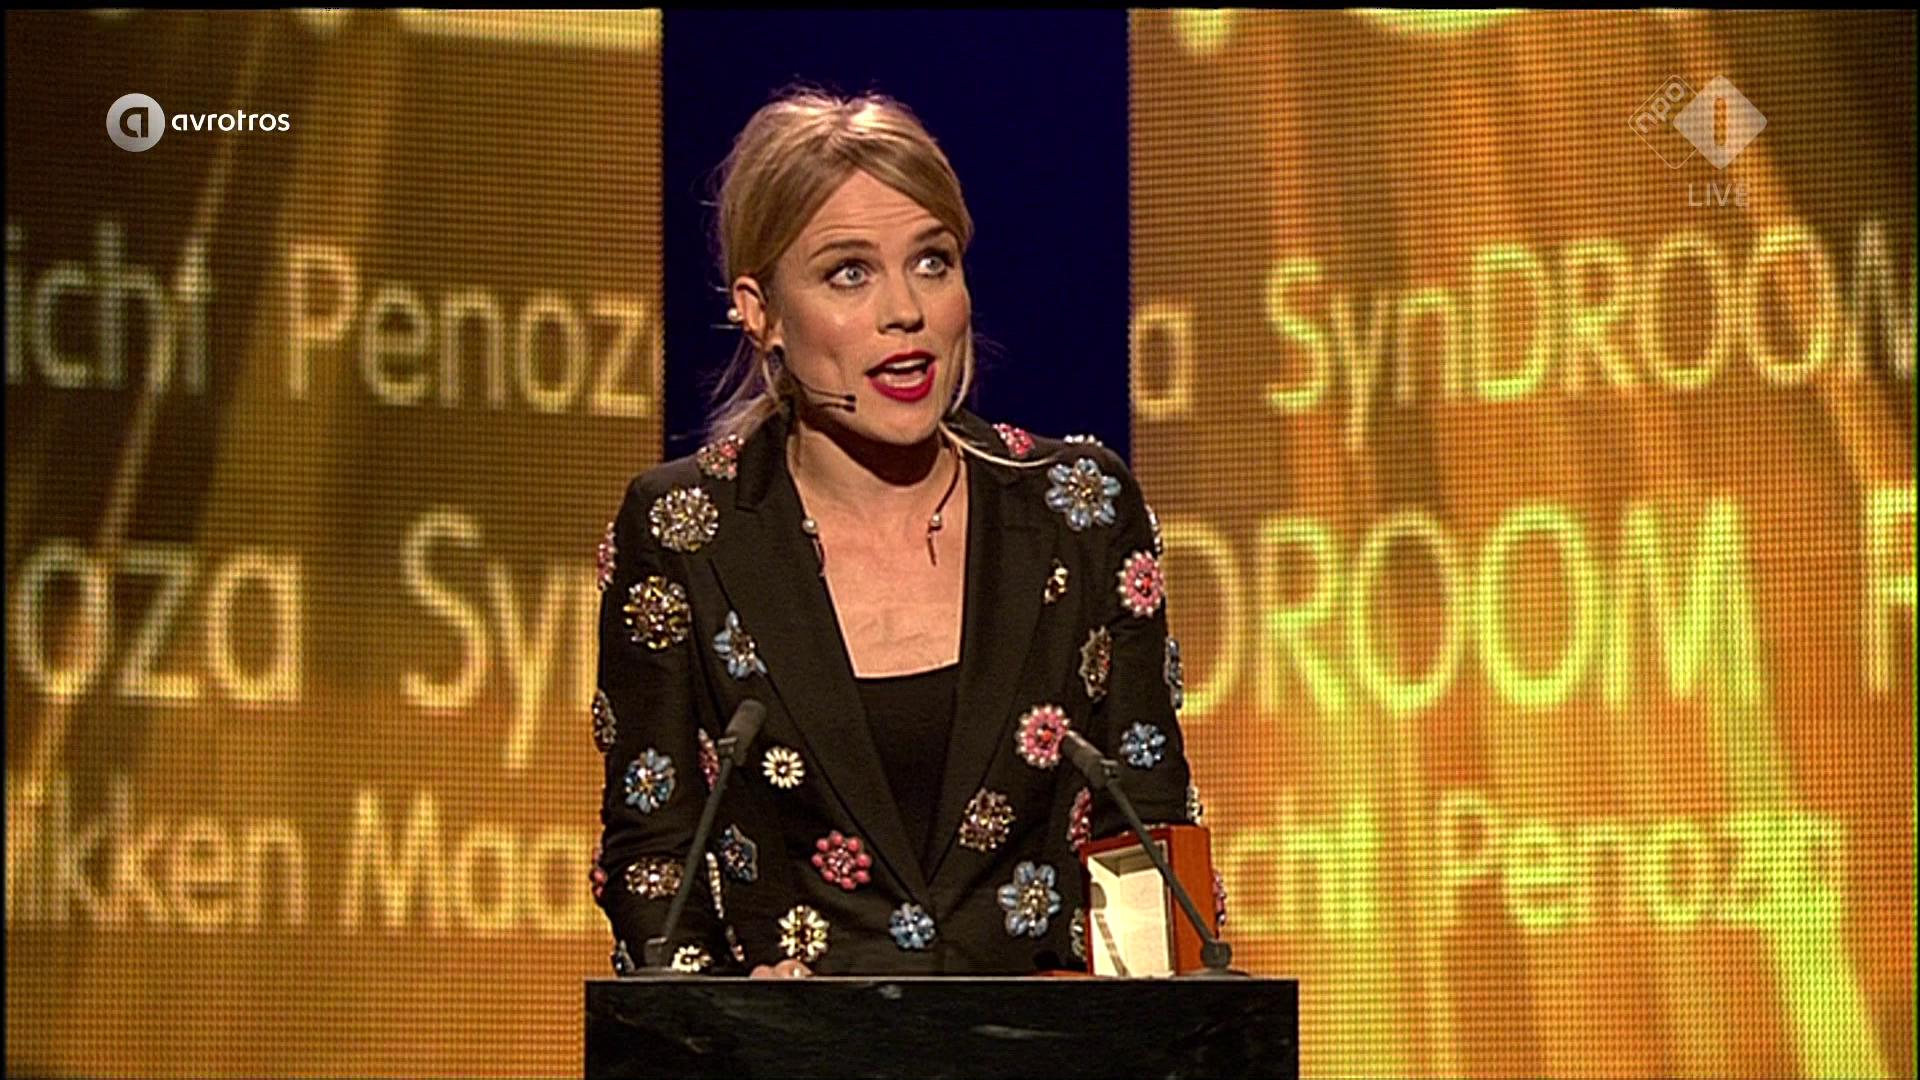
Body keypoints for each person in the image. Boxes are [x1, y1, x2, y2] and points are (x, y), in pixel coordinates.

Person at [589, 89, 1195, 977]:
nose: (904, 310)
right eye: (849, 273)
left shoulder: (1079, 508)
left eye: (932, 262)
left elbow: (1147, 822)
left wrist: (1143, 1025)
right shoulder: (686, 533)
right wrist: (726, 1013)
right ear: (761, 311)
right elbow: (653, 858)